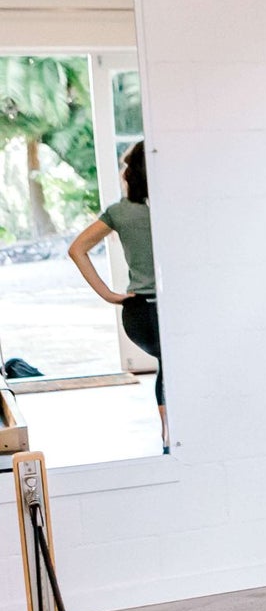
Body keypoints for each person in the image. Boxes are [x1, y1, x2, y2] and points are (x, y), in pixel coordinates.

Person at [67, 142, 165, 442]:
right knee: (174, 365)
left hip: (136, 313)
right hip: (161, 308)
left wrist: (109, 295)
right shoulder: (175, 208)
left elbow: (77, 249)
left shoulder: (120, 212)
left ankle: (168, 434)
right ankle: (171, 434)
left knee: (168, 364)